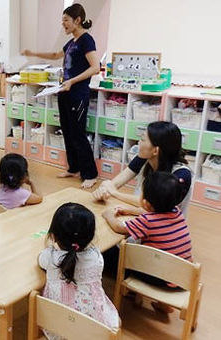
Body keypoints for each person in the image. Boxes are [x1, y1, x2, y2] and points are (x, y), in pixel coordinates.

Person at [22, 3, 100, 189]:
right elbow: (57, 54)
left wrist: (72, 81)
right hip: (64, 91)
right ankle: (73, 168)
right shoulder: (72, 42)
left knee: (78, 134)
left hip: (77, 93)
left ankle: (90, 174)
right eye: (62, 20)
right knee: (67, 131)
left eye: (66, 20)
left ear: (77, 20)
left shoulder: (86, 40)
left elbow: (95, 67)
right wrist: (34, 53)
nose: (63, 24)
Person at [102, 171, 193, 313]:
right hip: (183, 277)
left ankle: (129, 290)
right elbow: (153, 215)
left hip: (159, 277)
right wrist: (130, 210)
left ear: (145, 202)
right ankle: (164, 304)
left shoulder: (147, 221)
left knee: (109, 252)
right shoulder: (176, 212)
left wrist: (108, 215)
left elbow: (119, 228)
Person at [39, 203, 119, 338]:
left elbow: (40, 260)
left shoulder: (51, 257)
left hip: (61, 327)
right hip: (95, 324)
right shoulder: (96, 257)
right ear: (90, 236)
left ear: (53, 236)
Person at [93, 121, 193, 215]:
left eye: (142, 139)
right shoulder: (144, 158)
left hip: (163, 227)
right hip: (140, 216)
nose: (138, 142)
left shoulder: (181, 174)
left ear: (155, 150)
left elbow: (154, 206)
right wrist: (104, 190)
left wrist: (114, 193)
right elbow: (115, 183)